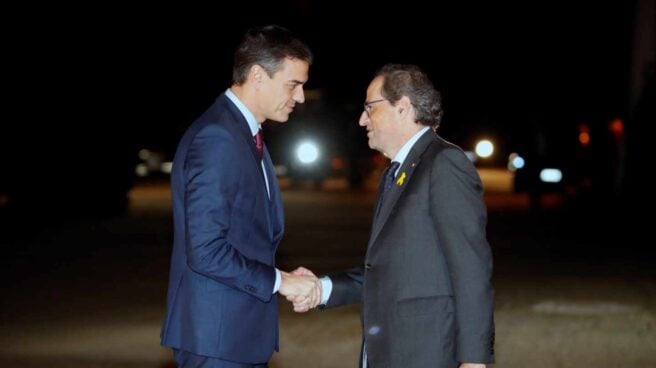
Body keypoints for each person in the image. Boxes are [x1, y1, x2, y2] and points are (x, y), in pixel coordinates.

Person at [291, 64, 495, 367]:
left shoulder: (444, 164)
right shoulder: (397, 172)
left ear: (403, 107)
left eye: (370, 108)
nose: (362, 120)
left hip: (426, 354)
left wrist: (473, 360)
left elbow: (471, 269)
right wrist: (323, 289)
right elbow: (386, 271)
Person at [160, 25, 321, 368]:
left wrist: (285, 277)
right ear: (259, 76)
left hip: (234, 337)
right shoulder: (219, 137)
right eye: (294, 84)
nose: (301, 97)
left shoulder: (243, 133)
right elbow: (205, 250)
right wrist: (281, 282)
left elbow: (245, 235)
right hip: (218, 340)